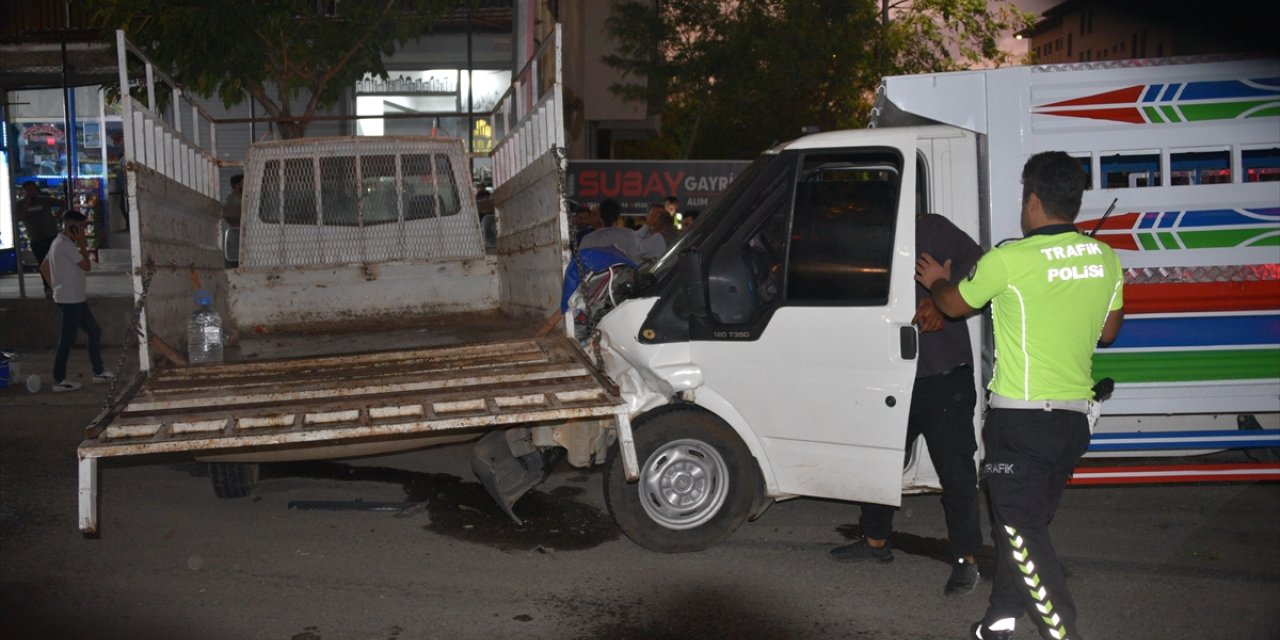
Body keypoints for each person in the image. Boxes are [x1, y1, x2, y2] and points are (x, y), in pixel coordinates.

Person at [916, 151, 1124, 640]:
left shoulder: (1010, 259)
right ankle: (998, 623)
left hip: (1022, 423)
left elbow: (953, 304)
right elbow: (1109, 331)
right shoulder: (1105, 257)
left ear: (1032, 200)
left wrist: (937, 281)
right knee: (1023, 529)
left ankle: (1062, 633)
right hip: (1074, 423)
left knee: (1021, 533)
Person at [830, 211, 985, 599]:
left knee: (957, 474)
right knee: (878, 460)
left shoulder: (929, 227)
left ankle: (967, 560)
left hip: (942, 374)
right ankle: (875, 542)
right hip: (888, 375)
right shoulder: (866, 242)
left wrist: (940, 294)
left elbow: (982, 263)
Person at [41, 210, 115, 392]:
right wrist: (83, 243)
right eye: (81, 227)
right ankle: (59, 380)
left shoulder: (58, 242)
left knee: (94, 332)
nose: (83, 230)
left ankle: (98, 371)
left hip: (75, 298)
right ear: (71, 226)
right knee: (66, 340)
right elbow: (86, 266)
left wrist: (56, 287)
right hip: (70, 301)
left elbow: (43, 267)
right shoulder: (65, 245)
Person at [17, 182, 62, 298]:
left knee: (55, 263)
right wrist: (27, 203)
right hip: (37, 239)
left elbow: (63, 203)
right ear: (24, 192)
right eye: (29, 190)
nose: (32, 192)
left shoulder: (44, 200)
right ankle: (48, 287)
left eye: (33, 190)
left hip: (51, 236)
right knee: (43, 264)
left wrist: (57, 217)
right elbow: (20, 217)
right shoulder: (21, 204)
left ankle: (59, 285)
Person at [579, 198, 643, 262]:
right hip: (625, 271)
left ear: (600, 217)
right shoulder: (630, 235)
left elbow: (581, 264)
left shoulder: (588, 239)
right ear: (618, 217)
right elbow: (636, 262)